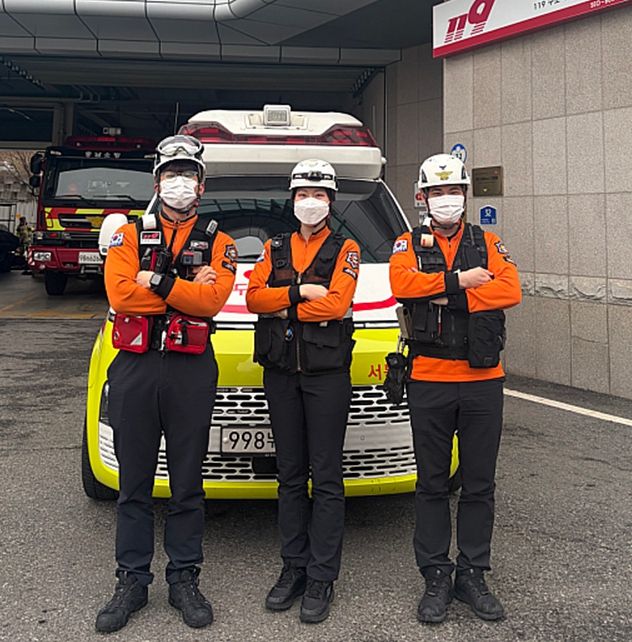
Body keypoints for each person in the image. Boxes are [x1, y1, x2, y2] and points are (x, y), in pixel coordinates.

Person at [96, 134, 237, 633]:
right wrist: (183, 289)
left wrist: (154, 281)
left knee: (187, 482)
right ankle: (132, 580)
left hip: (190, 368)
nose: (180, 182)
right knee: (133, 484)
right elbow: (120, 295)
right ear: (157, 182)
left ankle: (184, 578)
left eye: (188, 174)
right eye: (171, 174)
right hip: (135, 366)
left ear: (202, 185)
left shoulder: (220, 242)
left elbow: (211, 302)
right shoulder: (128, 234)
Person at [389, 153, 521, 624]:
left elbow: (510, 290)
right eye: (437, 192)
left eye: (454, 191)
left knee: (479, 485)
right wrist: (462, 281)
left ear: (465, 195)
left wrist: (445, 294)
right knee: (431, 485)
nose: (447, 199)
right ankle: (435, 575)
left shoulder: (488, 242)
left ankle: (472, 573)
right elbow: (401, 284)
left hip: (483, 382)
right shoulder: (407, 243)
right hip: (429, 380)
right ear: (422, 197)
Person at [246, 159, 360, 624]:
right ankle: (293, 567)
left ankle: (321, 576)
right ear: (291, 200)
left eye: (318, 195)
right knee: (290, 475)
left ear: (330, 201)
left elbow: (337, 303)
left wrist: (282, 305)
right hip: (281, 374)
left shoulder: (346, 248)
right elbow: (252, 298)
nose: (309, 202)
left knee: (327, 477)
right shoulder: (273, 247)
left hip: (326, 375)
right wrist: (298, 293)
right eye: (302, 195)